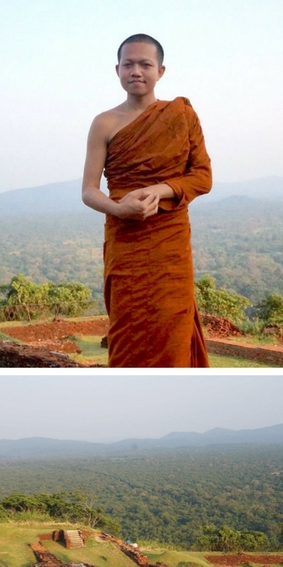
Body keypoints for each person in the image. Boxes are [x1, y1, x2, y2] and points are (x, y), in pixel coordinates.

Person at [82, 34, 212, 367]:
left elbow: (202, 177)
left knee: (172, 326)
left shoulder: (181, 115)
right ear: (117, 70)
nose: (136, 71)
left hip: (170, 242)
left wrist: (161, 190)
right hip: (125, 243)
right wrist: (119, 208)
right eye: (129, 64)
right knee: (128, 330)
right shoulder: (104, 123)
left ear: (161, 70)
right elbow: (89, 190)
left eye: (145, 64)